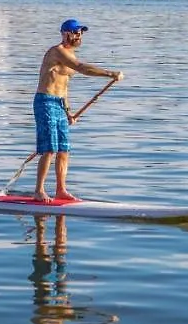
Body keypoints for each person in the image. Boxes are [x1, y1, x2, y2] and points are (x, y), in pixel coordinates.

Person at [31, 18, 122, 202]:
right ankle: (39, 190)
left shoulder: (70, 56)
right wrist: (109, 73)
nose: (78, 36)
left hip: (58, 103)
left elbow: (64, 87)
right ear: (65, 34)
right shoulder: (57, 52)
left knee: (64, 149)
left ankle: (61, 190)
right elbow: (81, 68)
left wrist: (68, 112)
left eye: (80, 33)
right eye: (75, 32)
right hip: (45, 102)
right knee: (49, 148)